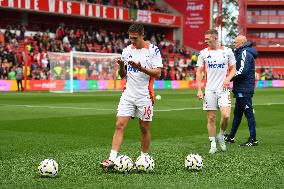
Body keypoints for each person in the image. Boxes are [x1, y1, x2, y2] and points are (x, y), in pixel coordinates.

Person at [101, 23, 163, 169]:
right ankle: (111, 158)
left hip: (145, 96)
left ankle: (144, 159)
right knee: (119, 125)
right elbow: (122, 76)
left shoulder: (153, 50)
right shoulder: (126, 50)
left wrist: (141, 68)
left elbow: (158, 73)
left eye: (135, 38)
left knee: (144, 128)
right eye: (130, 38)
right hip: (128, 94)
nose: (132, 41)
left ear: (142, 35)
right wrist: (122, 67)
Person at [196, 29, 236, 154]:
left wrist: (228, 79)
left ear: (215, 38)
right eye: (205, 39)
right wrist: (199, 89)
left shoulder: (227, 51)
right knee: (211, 118)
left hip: (223, 90)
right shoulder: (203, 53)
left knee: (226, 115)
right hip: (210, 90)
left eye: (208, 39)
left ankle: (221, 135)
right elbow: (199, 71)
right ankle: (213, 143)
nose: (205, 41)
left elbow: (234, 68)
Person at [224, 35, 258, 146]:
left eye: (235, 42)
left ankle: (253, 139)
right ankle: (231, 137)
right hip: (241, 88)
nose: (234, 44)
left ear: (242, 43)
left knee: (248, 113)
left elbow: (242, 71)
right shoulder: (242, 53)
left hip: (244, 89)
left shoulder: (245, 53)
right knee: (237, 114)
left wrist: (229, 78)